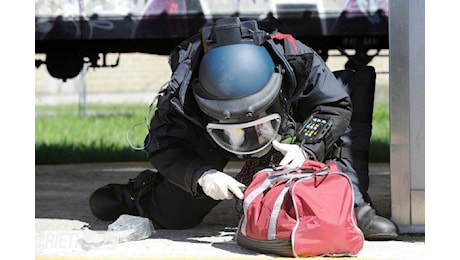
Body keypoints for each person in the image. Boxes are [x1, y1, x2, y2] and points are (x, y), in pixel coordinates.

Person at [89, 17, 398, 240]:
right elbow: (162, 144)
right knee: (176, 216)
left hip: (287, 122)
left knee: (348, 93)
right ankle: (137, 195)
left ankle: (352, 202)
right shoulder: (181, 91)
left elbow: (333, 105)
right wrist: (200, 175)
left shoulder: (296, 59)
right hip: (209, 137)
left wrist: (307, 147)